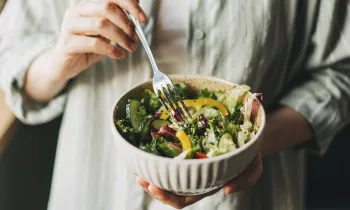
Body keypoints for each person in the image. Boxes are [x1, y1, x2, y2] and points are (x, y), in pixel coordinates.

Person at [1, 0, 350, 209]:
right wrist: (60, 60)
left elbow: (341, 75)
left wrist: (249, 145)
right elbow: (12, 61)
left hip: (246, 199)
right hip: (96, 188)